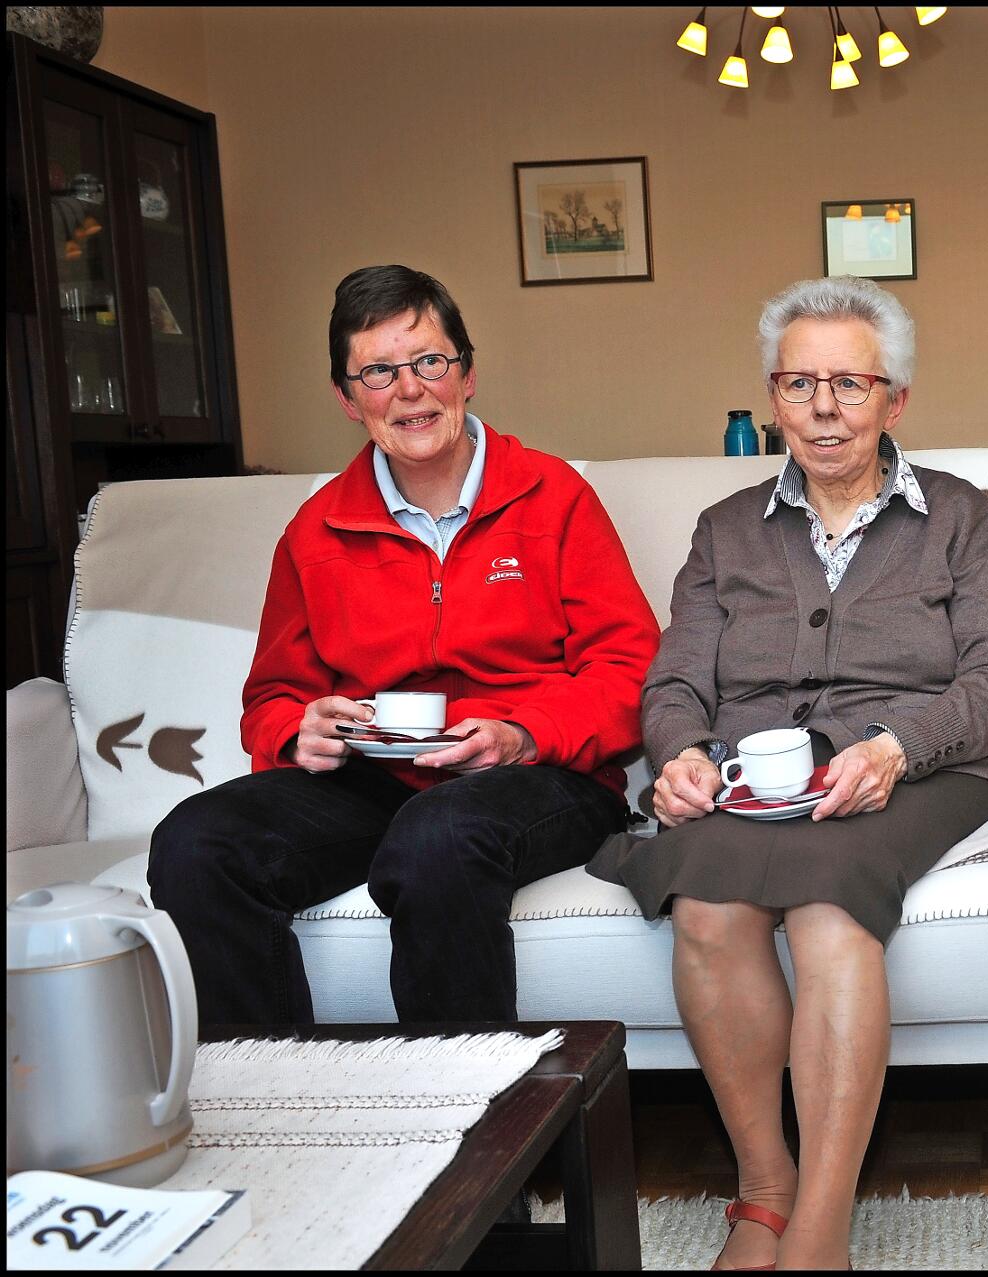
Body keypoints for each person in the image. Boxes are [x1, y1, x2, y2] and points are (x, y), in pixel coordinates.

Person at [589, 276, 988, 1270]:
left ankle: (822, 1227)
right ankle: (765, 1191)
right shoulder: (725, 529)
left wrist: (894, 748)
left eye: (850, 383)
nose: (825, 408)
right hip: (761, 775)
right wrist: (683, 756)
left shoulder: (965, 521)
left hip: (919, 768)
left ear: (895, 400)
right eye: (800, 383)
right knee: (705, 901)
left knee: (830, 905)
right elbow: (673, 682)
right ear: (773, 397)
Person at [149, 264, 661, 1026]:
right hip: (376, 777)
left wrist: (523, 734)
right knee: (195, 841)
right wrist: (299, 730)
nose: (411, 389)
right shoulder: (315, 530)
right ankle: (268, 1100)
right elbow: (272, 696)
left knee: (439, 836)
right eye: (379, 371)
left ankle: (471, 1120)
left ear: (467, 373)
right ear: (348, 398)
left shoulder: (554, 499)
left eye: (429, 361)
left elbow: (631, 668)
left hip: (543, 773)